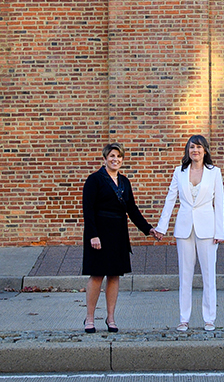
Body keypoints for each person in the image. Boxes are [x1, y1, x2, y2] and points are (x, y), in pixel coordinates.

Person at [154, 133, 224, 331]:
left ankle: (209, 318)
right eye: (192, 147)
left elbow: (219, 203)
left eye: (199, 147)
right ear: (187, 151)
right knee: (185, 275)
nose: (195, 150)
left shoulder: (214, 172)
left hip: (207, 228)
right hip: (184, 228)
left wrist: (220, 231)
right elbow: (170, 199)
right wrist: (161, 227)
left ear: (205, 151)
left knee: (208, 275)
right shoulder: (179, 172)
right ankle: (183, 318)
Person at [81, 142, 155, 333]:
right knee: (97, 275)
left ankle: (111, 318)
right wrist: (93, 235)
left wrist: (148, 229)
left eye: (119, 156)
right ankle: (90, 318)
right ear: (105, 158)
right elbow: (88, 210)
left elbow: (132, 209)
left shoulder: (124, 182)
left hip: (118, 233)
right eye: (112, 156)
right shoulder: (94, 180)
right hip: (99, 233)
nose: (116, 159)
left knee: (114, 275)